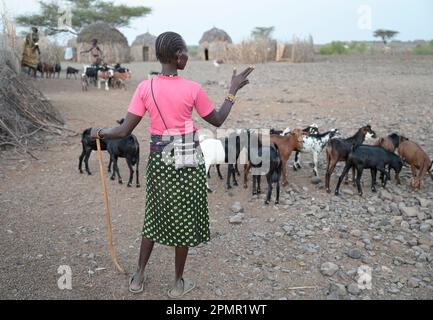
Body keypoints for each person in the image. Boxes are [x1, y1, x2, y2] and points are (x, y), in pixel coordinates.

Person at [90, 31, 253, 298]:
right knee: (185, 218)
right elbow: (219, 120)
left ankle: (138, 276)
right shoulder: (192, 89)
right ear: (179, 57)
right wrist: (232, 90)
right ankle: (177, 283)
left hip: (160, 160)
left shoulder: (145, 87)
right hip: (188, 158)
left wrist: (99, 133)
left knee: (154, 214)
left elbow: (122, 131)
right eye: (185, 52)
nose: (187, 56)